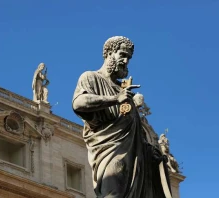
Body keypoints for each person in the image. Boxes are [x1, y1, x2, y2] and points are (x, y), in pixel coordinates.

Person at [72, 36, 171, 198]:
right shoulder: (91, 77)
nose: (126, 61)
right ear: (109, 53)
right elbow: (79, 103)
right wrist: (115, 99)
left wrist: (150, 151)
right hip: (110, 152)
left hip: (135, 160)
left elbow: (133, 131)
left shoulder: (124, 90)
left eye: (129, 58)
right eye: (122, 55)